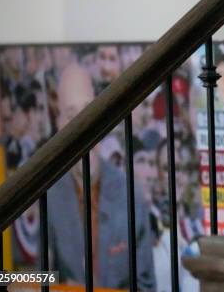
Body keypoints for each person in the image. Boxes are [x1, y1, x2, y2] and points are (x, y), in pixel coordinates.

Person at [47, 63, 156, 290]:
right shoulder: (50, 198)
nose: (81, 124)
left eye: (88, 109)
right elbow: (41, 279)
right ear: (59, 124)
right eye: (71, 114)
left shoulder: (129, 193)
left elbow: (146, 285)